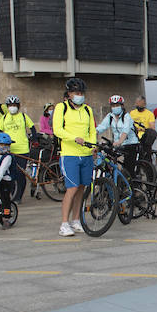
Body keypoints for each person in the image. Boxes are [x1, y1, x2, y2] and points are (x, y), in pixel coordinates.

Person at [53, 77, 96, 236]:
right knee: (71, 188)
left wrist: (92, 145)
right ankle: (64, 223)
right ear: (69, 94)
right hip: (70, 154)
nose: (80, 95)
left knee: (82, 188)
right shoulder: (61, 108)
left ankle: (76, 220)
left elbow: (92, 130)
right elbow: (57, 129)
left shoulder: (87, 110)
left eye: (81, 93)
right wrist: (74, 138)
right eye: (77, 92)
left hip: (86, 154)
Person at [0, 95, 36, 204]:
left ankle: (18, 196)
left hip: (22, 149)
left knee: (20, 174)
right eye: (10, 105)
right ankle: (11, 194)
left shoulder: (23, 116)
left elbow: (32, 128)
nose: (13, 107)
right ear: (7, 106)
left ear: (18, 106)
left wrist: (34, 138)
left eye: (15, 105)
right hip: (8, 150)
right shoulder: (4, 118)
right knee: (10, 174)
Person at [97, 94, 140, 170]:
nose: (115, 107)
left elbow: (125, 130)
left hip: (130, 144)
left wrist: (120, 141)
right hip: (118, 145)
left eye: (117, 105)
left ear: (122, 106)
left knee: (129, 168)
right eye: (113, 106)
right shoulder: (110, 116)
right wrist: (93, 133)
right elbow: (102, 127)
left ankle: (132, 180)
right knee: (107, 155)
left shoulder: (127, 116)